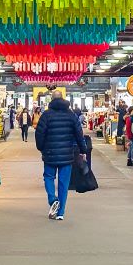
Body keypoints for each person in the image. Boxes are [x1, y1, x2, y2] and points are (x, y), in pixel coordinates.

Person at [35, 91, 87, 220]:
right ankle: (61, 213)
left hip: (50, 154)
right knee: (64, 183)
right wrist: (83, 150)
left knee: (48, 177)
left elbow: (39, 134)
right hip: (67, 155)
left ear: (51, 100)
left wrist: (41, 148)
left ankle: (53, 200)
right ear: (63, 99)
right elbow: (79, 133)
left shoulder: (46, 115)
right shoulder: (71, 115)